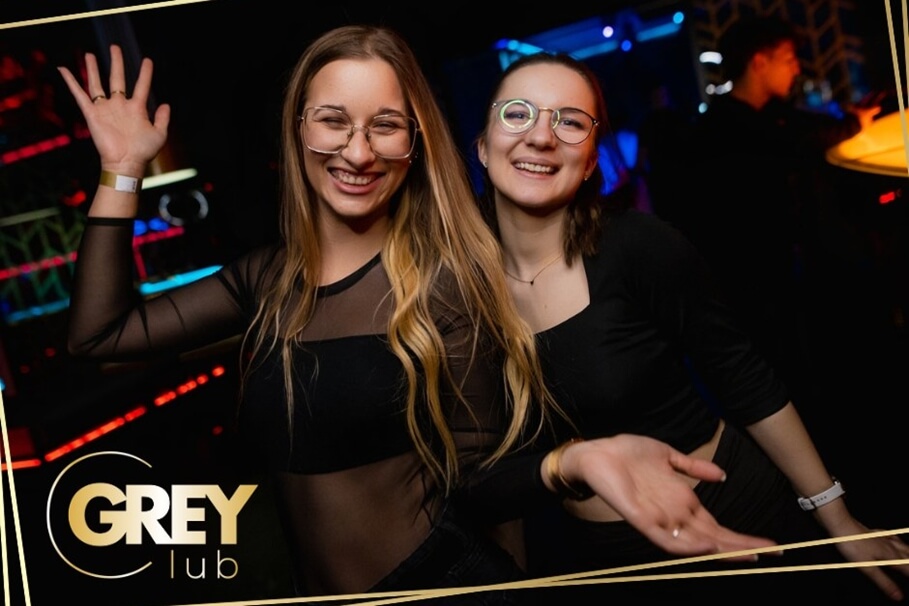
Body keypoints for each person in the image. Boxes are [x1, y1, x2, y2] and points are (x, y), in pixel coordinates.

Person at [59, 26, 775, 604]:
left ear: (414, 142)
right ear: (298, 128)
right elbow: (98, 336)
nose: (358, 151)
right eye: (333, 121)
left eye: (386, 126)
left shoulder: (443, 286)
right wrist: (122, 170)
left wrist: (574, 459)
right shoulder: (265, 278)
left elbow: (483, 484)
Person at [473, 50, 909, 602]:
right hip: (605, 560)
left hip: (738, 519)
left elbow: (744, 379)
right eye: (518, 113)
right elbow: (482, 469)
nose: (541, 136)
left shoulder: (640, 247)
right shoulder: (459, 291)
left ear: (590, 162)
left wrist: (837, 517)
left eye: (570, 121)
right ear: (483, 145)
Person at [679, 15, 882, 408]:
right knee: (786, 376)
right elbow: (798, 141)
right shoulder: (723, 128)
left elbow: (806, 130)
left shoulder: (771, 113)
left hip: (785, 273)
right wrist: (853, 124)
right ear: (759, 62)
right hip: (755, 283)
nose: (796, 68)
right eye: (788, 58)